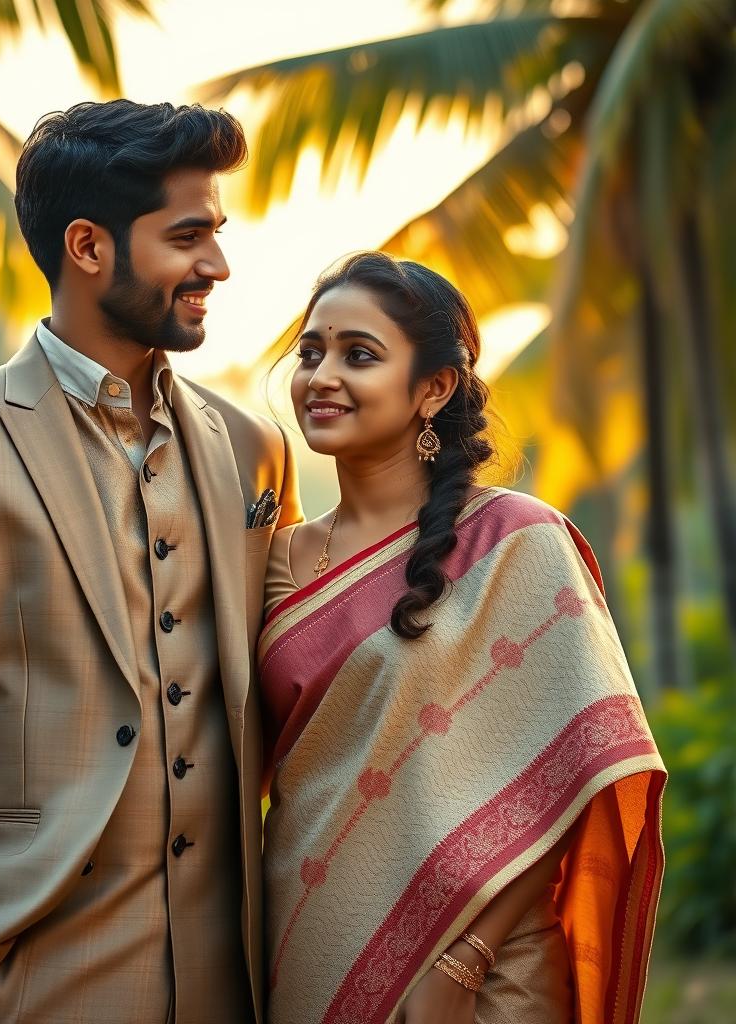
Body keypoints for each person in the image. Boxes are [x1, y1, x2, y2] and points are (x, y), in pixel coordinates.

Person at [0, 99, 301, 1024]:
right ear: (88, 248)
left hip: (237, 986)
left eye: (217, 231)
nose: (217, 263)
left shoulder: (252, 447)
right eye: (188, 235)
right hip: (32, 981)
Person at [258, 253, 665, 1024]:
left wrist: (462, 961)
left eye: (360, 355)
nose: (322, 376)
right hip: (309, 942)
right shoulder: (274, 558)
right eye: (310, 352)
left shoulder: (516, 541)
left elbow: (580, 764)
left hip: (481, 973)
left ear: (434, 389)